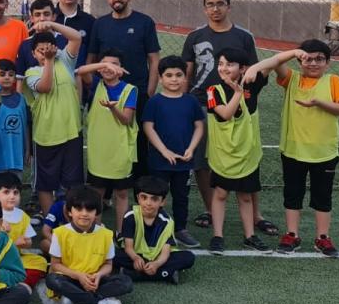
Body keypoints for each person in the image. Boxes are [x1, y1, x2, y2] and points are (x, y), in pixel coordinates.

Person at [182, 0, 277, 237]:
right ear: (204, 8)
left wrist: (248, 103)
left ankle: (256, 215)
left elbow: (254, 70)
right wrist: (184, 102)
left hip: (238, 103)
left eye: (220, 4)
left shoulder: (243, 36)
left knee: (247, 156)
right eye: (210, 4)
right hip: (202, 103)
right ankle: (210, 209)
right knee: (203, 159)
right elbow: (187, 72)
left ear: (229, 6)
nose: (215, 9)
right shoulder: (195, 37)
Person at [245, 41, 339, 258]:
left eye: (319, 59)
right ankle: (292, 234)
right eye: (307, 58)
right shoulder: (291, 78)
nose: (313, 63)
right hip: (293, 151)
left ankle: (322, 237)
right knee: (293, 194)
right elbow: (274, 61)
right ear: (299, 61)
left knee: (323, 197)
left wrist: (319, 102)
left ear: (328, 63)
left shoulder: (333, 81)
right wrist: (293, 52)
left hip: (324, 153)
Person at [85, 0, 161, 174]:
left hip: (136, 91)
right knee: (107, 138)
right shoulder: (100, 24)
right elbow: (91, 58)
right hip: (107, 92)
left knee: (139, 140)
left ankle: (139, 185)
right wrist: (93, 87)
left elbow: (154, 59)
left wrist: (150, 91)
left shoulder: (144, 22)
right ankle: (107, 183)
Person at [206, 47, 272, 254]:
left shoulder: (251, 84)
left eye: (230, 64)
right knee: (220, 194)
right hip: (224, 154)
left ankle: (249, 236)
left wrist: (296, 52)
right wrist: (237, 93)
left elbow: (275, 62)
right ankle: (217, 235)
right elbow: (226, 114)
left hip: (247, 154)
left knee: (245, 196)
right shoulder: (213, 90)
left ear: (242, 68)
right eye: (220, 64)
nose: (224, 68)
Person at [141, 56, 205, 248]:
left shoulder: (191, 101)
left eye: (178, 75)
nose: (174, 79)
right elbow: (148, 127)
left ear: (185, 77)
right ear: (161, 78)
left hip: (184, 161)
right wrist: (164, 151)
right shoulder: (155, 102)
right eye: (169, 75)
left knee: (181, 196)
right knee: (155, 196)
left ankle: (180, 229)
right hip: (159, 161)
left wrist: (191, 148)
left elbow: (199, 126)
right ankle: (153, 228)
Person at [76, 49, 138, 231]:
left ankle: (121, 232)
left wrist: (113, 108)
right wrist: (103, 65)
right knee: (97, 193)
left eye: (114, 64)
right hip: (99, 151)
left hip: (120, 150)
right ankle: (96, 231)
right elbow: (80, 71)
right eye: (105, 64)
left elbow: (126, 120)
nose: (109, 68)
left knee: (121, 193)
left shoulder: (130, 89)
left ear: (121, 68)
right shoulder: (96, 84)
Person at [46, 186, 133, 304]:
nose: (84, 213)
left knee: (126, 282)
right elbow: (55, 264)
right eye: (79, 209)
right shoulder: (60, 233)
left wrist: (98, 275)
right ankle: (100, 302)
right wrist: (78, 276)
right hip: (70, 278)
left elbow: (108, 264)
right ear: (70, 211)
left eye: (89, 209)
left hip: (95, 280)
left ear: (96, 212)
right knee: (52, 279)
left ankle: (75, 298)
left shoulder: (105, 234)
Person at [24, 28, 84, 215]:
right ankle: (50, 221)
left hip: (71, 132)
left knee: (73, 182)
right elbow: (45, 87)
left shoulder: (65, 61)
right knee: (45, 183)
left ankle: (71, 220)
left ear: (56, 48)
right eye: (40, 50)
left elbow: (76, 37)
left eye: (48, 49)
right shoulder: (31, 72)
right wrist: (49, 61)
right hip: (46, 136)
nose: (44, 53)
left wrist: (50, 23)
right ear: (33, 53)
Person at [114, 176, 195, 283]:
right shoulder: (130, 216)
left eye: (154, 199)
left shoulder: (167, 221)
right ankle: (165, 274)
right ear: (138, 198)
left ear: (162, 202)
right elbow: (128, 247)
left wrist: (157, 264)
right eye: (144, 197)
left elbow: (165, 251)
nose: (148, 203)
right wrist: (136, 258)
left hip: (157, 257)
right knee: (111, 253)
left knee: (188, 257)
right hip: (136, 254)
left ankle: (133, 274)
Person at [0, 172, 48, 287]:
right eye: (6, 192)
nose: (12, 196)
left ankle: (21, 284)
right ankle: (12, 279)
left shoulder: (22, 215)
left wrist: (26, 243)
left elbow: (28, 242)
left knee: (40, 262)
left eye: (16, 192)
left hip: (15, 257)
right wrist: (12, 243)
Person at [0, 59, 28, 178]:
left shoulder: (21, 99)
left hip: (16, 157)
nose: (6, 77)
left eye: (10, 75)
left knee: (15, 186)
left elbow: (25, 126)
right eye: (2, 74)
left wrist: (27, 150)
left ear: (15, 78)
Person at [14, 0, 56, 77]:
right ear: (32, 19)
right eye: (37, 15)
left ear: (54, 17)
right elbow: (20, 77)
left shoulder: (65, 40)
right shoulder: (25, 44)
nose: (42, 19)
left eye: (46, 14)